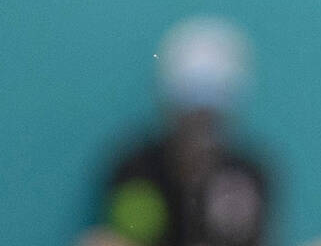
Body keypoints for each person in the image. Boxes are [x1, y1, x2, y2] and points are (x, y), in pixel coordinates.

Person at [79, 17, 272, 246]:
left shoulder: (247, 174)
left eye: (210, 115)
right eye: (191, 113)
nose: (200, 127)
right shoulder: (136, 170)